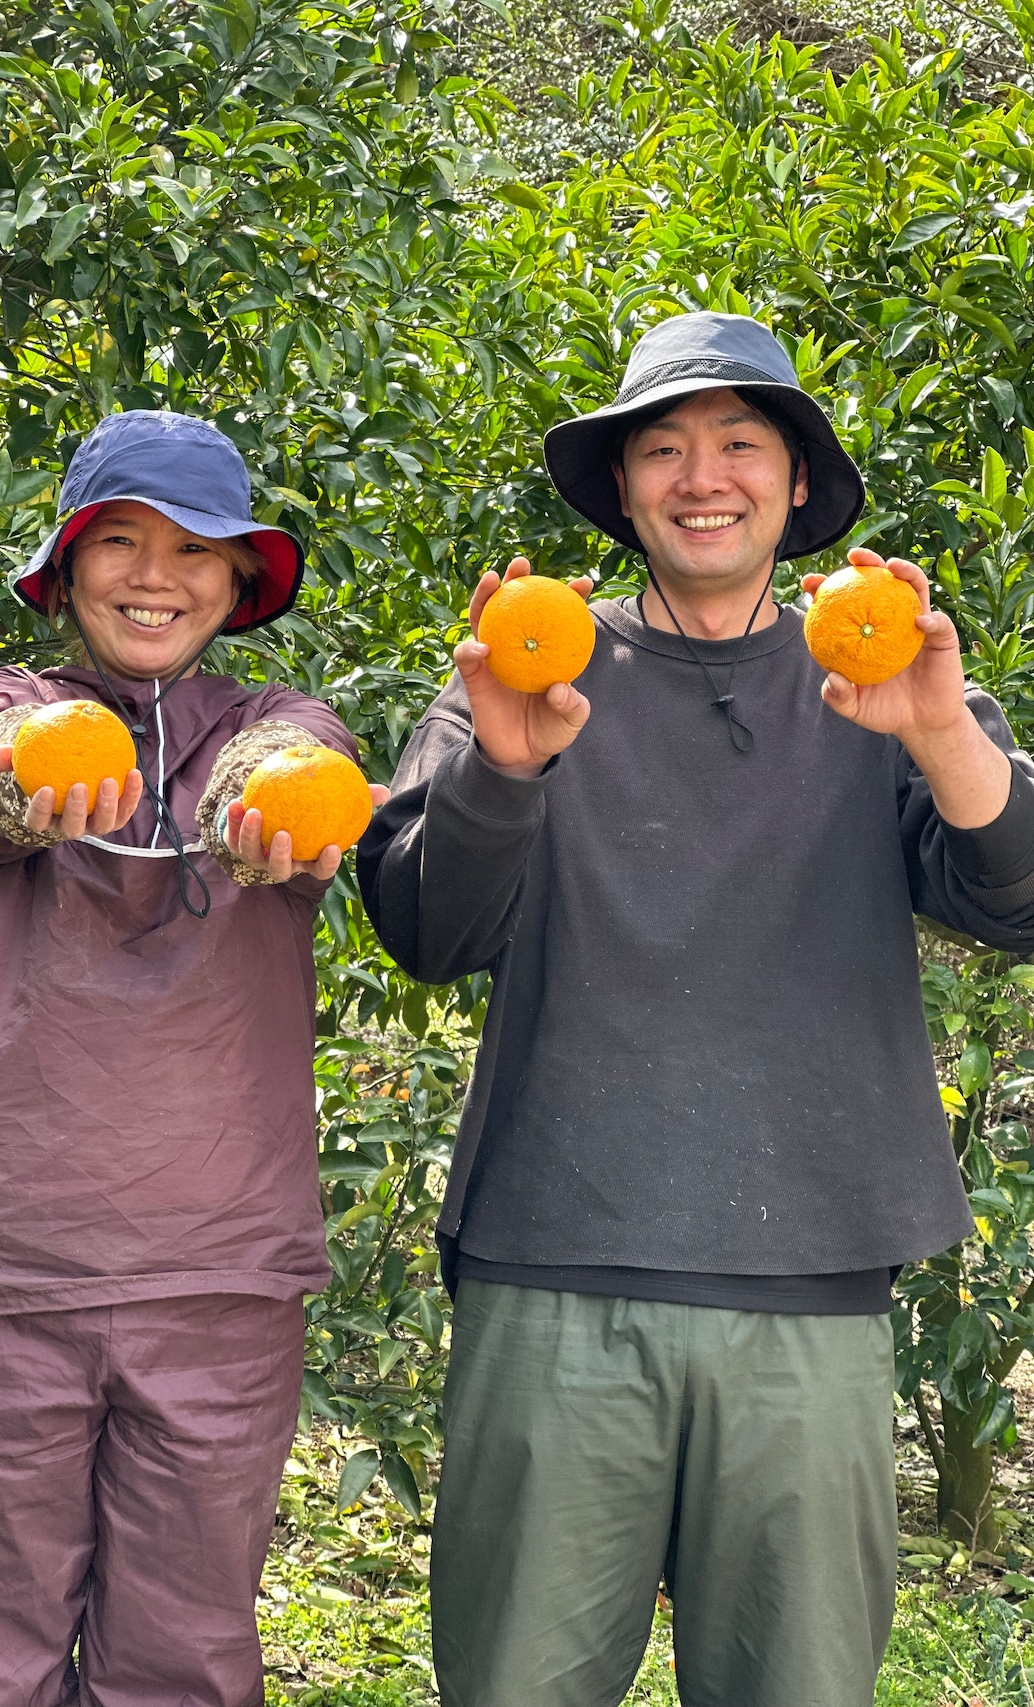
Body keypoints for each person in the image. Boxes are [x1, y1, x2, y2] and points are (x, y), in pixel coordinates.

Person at [357, 312, 1034, 1707]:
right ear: (622, 489)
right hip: (555, 1275)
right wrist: (505, 769)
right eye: (662, 448)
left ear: (797, 487)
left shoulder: (878, 680)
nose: (701, 475)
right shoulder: (523, 665)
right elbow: (429, 928)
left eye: (740, 444)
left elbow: (1014, 901)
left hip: (812, 1292)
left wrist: (945, 731)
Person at [0, 409, 385, 1707]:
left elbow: (298, 765)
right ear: (69, 564)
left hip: (216, 1285)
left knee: (184, 1665)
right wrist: (26, 776)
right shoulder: (2, 708)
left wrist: (276, 797)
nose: (156, 574)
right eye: (121, 541)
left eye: (195, 548)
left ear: (236, 581)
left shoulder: (277, 721)